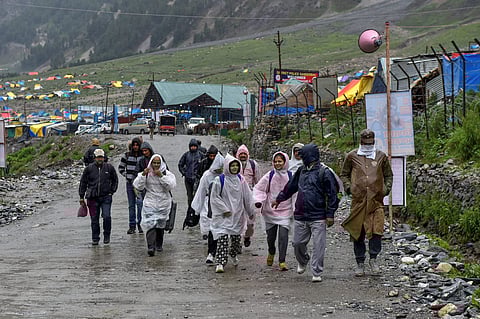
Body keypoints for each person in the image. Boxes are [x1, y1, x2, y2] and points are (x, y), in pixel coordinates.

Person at [272, 143, 339, 282]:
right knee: (297, 243)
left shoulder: (324, 172)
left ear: (310, 156)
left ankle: (316, 271)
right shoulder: (301, 171)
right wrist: (279, 199)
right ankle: (303, 260)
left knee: (319, 245)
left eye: (303, 155)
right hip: (301, 214)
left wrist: (330, 214)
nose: (301, 158)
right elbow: (291, 187)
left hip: (318, 215)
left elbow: (333, 194)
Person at [340, 129, 393, 277]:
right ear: (361, 142)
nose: (368, 145)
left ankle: (374, 259)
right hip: (358, 201)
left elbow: (388, 175)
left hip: (376, 201)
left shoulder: (381, 156)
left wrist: (385, 189)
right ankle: (360, 262)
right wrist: (349, 188)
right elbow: (344, 174)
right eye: (365, 143)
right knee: (358, 232)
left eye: (370, 143)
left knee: (377, 231)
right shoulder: (352, 156)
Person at [209, 154, 255, 273]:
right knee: (222, 238)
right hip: (224, 216)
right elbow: (214, 197)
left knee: (235, 239)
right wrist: (224, 209)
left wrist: (251, 211)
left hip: (237, 215)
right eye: (232, 165)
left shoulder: (241, 180)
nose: (234, 168)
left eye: (236, 165)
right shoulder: (219, 180)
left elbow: (247, 196)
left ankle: (233, 254)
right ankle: (220, 262)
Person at [253, 151, 294, 271]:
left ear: (285, 162)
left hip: (285, 211)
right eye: (275, 161)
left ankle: (282, 260)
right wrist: (259, 200)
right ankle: (271, 251)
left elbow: (295, 193)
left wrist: (295, 208)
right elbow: (259, 189)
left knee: (283, 236)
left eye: (280, 161)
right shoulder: (269, 175)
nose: (277, 163)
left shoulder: (291, 176)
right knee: (271, 237)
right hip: (270, 210)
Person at [133, 154, 176, 256]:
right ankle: (150, 246)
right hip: (150, 201)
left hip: (163, 202)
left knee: (160, 224)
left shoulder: (167, 174)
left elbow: (171, 185)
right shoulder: (147, 173)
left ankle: (159, 244)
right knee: (150, 223)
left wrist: (161, 176)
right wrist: (143, 175)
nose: (156, 165)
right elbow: (138, 185)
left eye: (158, 163)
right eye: (154, 163)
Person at [79, 148, 118, 246]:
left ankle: (107, 236)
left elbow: (115, 180)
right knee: (94, 219)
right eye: (98, 157)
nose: (100, 159)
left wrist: (112, 191)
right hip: (92, 197)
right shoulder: (88, 169)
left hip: (106, 197)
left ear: (104, 158)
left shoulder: (109, 168)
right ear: (94, 158)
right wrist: (81, 196)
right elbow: (83, 183)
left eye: (101, 157)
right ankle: (95, 238)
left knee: (107, 216)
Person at [191, 153, 225, 264]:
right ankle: (211, 253)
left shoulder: (229, 176)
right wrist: (197, 209)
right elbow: (201, 191)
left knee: (223, 232)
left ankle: (223, 253)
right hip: (210, 205)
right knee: (212, 229)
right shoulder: (207, 176)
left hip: (225, 207)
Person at [118, 137, 144, 235]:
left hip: (140, 185)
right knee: (131, 205)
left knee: (140, 204)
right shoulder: (127, 156)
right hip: (130, 184)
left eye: (137, 145)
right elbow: (120, 168)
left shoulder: (142, 157)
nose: (135, 147)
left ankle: (140, 224)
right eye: (134, 145)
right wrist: (127, 175)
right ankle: (132, 226)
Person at [235, 144, 259, 247]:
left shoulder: (253, 165)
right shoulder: (234, 164)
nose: (243, 155)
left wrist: (258, 196)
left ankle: (247, 236)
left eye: (245, 153)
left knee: (250, 220)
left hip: (250, 195)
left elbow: (258, 181)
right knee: (238, 220)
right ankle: (238, 243)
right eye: (241, 154)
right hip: (237, 196)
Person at [178, 139, 204, 208]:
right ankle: (190, 208)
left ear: (197, 146)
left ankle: (196, 208)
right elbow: (180, 164)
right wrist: (184, 173)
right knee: (189, 195)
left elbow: (205, 165)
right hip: (188, 179)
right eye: (192, 146)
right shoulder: (186, 155)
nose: (193, 148)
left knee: (197, 195)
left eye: (194, 146)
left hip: (197, 179)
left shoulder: (200, 155)